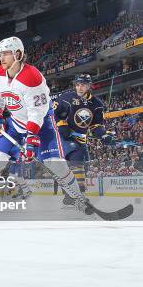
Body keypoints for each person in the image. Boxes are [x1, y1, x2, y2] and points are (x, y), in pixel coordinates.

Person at [0, 36, 91, 214]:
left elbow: (37, 112)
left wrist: (32, 139)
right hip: (15, 124)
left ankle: (79, 198)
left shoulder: (32, 77)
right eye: (0, 54)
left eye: (6, 54)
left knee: (56, 164)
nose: (1, 58)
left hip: (42, 125)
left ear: (18, 54)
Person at [53, 74, 114, 205]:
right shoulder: (65, 98)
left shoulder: (97, 104)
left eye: (84, 85)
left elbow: (96, 125)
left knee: (83, 164)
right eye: (78, 84)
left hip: (80, 138)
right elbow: (53, 114)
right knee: (75, 161)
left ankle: (72, 194)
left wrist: (103, 135)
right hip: (62, 136)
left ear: (89, 86)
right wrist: (61, 125)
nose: (80, 87)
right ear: (75, 85)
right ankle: (76, 194)